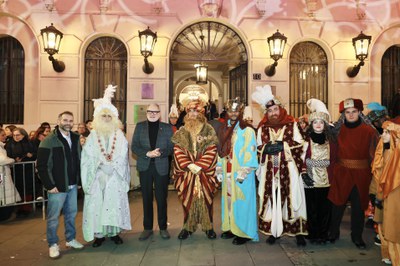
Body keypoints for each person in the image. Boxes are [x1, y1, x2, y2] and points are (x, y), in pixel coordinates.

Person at [252, 85, 308, 246]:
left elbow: (302, 145)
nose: (273, 113)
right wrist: (265, 149)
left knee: (293, 199)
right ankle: (274, 231)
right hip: (270, 172)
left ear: (281, 109)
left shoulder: (293, 125)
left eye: (275, 109)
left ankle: (298, 232)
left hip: (289, 171)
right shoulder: (262, 129)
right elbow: (256, 148)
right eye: (270, 111)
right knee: (272, 200)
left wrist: (283, 146)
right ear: (266, 113)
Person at [81, 84, 131, 248]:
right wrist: (100, 165)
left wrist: (113, 166)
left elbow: (123, 153)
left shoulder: (120, 136)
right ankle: (99, 235)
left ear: (114, 118)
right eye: (104, 116)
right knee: (99, 206)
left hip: (115, 176)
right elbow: (88, 156)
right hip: (98, 176)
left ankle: (115, 233)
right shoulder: (92, 136)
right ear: (98, 118)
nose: (107, 119)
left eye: (109, 116)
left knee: (113, 205)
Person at [328, 98, 379, 249]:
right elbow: (332, 152)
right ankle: (333, 233)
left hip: (362, 174)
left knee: (358, 208)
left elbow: (375, 154)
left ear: (359, 112)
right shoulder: (337, 131)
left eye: (354, 112)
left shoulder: (369, 131)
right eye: (347, 112)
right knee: (337, 205)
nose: (350, 115)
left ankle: (357, 236)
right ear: (343, 114)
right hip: (342, 172)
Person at [36, 111, 84, 259]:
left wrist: (79, 182)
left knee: (71, 214)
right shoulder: (49, 140)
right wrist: (50, 185)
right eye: (65, 120)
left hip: (72, 185)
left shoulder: (76, 138)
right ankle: (53, 244)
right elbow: (42, 166)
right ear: (58, 121)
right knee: (53, 218)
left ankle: (70, 239)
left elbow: (79, 160)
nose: (68, 123)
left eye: (71, 120)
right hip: (57, 187)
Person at [171, 98, 219, 240]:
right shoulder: (181, 131)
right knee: (188, 201)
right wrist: (188, 165)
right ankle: (187, 227)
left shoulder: (208, 129)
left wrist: (200, 165)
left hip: (204, 173)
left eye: (196, 111)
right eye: (190, 111)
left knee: (207, 201)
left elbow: (212, 149)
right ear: (186, 113)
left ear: (201, 113)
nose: (193, 114)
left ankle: (208, 227)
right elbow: (177, 150)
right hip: (187, 173)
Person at [217, 98, 259, 245]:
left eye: (236, 110)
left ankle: (244, 232)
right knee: (229, 200)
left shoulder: (247, 130)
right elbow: (220, 150)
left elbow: (251, 152)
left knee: (242, 201)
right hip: (227, 170)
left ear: (240, 112)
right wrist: (219, 168)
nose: (233, 113)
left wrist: (244, 171)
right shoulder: (224, 129)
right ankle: (231, 228)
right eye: (230, 110)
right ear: (227, 112)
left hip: (241, 173)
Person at [131, 103, 174, 241]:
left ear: (160, 113)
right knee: (146, 198)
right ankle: (147, 228)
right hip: (145, 167)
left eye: (155, 112)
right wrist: (147, 153)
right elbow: (134, 147)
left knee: (162, 199)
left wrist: (159, 153)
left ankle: (163, 228)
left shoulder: (167, 128)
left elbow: (172, 148)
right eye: (150, 111)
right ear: (147, 112)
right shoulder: (140, 126)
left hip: (161, 167)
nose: (152, 114)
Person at [302, 99, 336, 244]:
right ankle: (312, 233)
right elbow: (302, 158)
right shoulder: (306, 140)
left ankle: (322, 234)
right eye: (315, 122)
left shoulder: (331, 140)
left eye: (321, 122)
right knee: (311, 208)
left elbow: (333, 160)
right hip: (310, 178)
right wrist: (305, 172)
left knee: (325, 209)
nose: (318, 125)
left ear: (325, 125)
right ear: (311, 124)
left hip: (326, 180)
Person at [371, 121, 400, 265]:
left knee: (393, 226)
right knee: (384, 224)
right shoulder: (383, 148)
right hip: (383, 193)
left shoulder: (397, 155)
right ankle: (388, 253)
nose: (383, 135)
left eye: (387, 132)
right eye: (383, 131)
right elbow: (378, 168)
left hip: (394, 195)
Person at [5, 127, 36, 216]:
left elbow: (36, 153)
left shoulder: (30, 143)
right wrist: (14, 159)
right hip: (16, 170)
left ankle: (26, 208)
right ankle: (19, 208)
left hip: (28, 169)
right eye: (14, 135)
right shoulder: (10, 144)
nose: (16, 137)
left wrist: (32, 155)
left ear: (23, 134)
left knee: (28, 188)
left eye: (18, 135)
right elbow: (8, 156)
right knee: (18, 187)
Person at [0, 128, 21, 222]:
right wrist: (12, 160)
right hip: (2, 175)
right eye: (2, 135)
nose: (5, 136)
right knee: (4, 194)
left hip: (4, 173)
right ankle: (4, 216)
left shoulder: (2, 146)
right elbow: (3, 160)